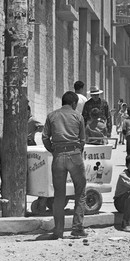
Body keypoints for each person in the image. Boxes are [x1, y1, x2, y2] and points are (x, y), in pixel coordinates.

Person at [41, 91, 87, 239]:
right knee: (80, 192)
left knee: (59, 195)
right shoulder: (78, 116)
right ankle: (77, 228)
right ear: (74, 103)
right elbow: (82, 140)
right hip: (74, 155)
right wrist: (77, 152)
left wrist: (53, 150)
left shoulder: (52, 116)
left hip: (58, 156)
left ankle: (58, 231)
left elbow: (45, 137)